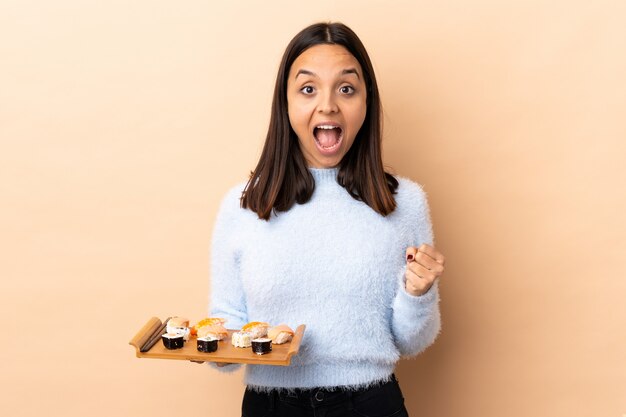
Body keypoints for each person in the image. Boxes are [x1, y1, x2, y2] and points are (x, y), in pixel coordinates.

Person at [207, 22, 445, 417]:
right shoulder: (242, 206)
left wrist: (419, 294)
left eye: (346, 88)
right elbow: (228, 345)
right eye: (308, 89)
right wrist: (211, 345)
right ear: (285, 104)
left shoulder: (404, 203)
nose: (328, 105)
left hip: (370, 405)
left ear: (366, 103)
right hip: (271, 407)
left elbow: (411, 342)